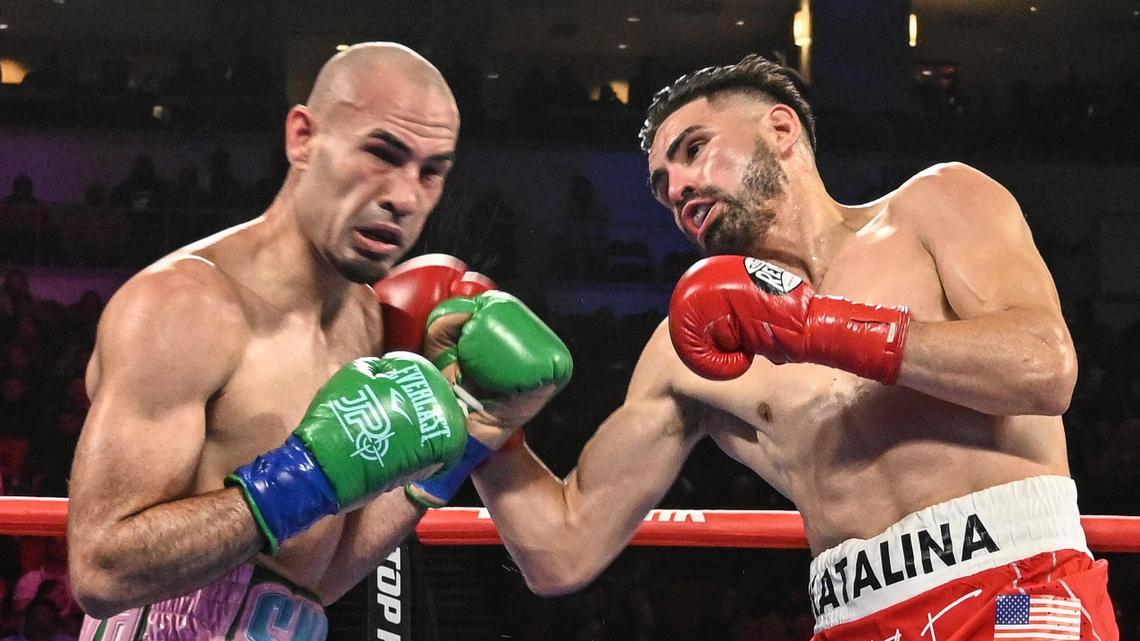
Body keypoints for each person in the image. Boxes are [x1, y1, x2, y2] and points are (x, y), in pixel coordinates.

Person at [470, 54, 1118, 640]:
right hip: (855, 622)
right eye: (662, 184)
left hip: (1016, 594)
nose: (677, 187)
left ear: (781, 130)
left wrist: (814, 327)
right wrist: (487, 429)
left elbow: (1043, 368)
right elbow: (563, 552)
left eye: (694, 149)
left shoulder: (936, 205)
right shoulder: (684, 348)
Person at [66, 42, 570, 641]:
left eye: (431, 171)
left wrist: (474, 431)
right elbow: (102, 571)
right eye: (382, 154)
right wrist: (302, 477)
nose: (406, 197)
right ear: (303, 137)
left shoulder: (369, 325)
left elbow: (315, 579)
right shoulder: (184, 306)